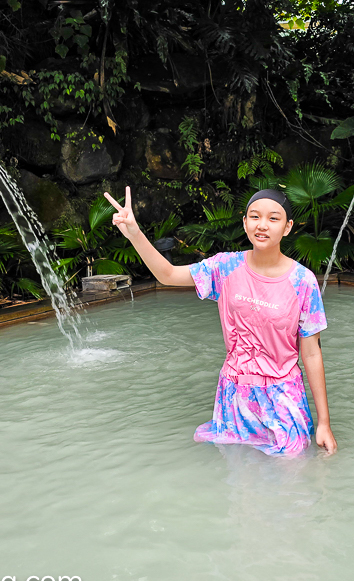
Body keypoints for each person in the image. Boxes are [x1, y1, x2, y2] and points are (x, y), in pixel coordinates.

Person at [104, 186, 337, 456]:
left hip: (283, 397)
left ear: (287, 227)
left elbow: (311, 353)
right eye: (254, 216)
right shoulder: (225, 267)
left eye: (273, 218)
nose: (262, 225)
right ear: (245, 223)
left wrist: (324, 423)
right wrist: (134, 233)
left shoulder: (303, 281)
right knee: (240, 484)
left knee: (290, 479)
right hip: (234, 396)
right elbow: (167, 274)